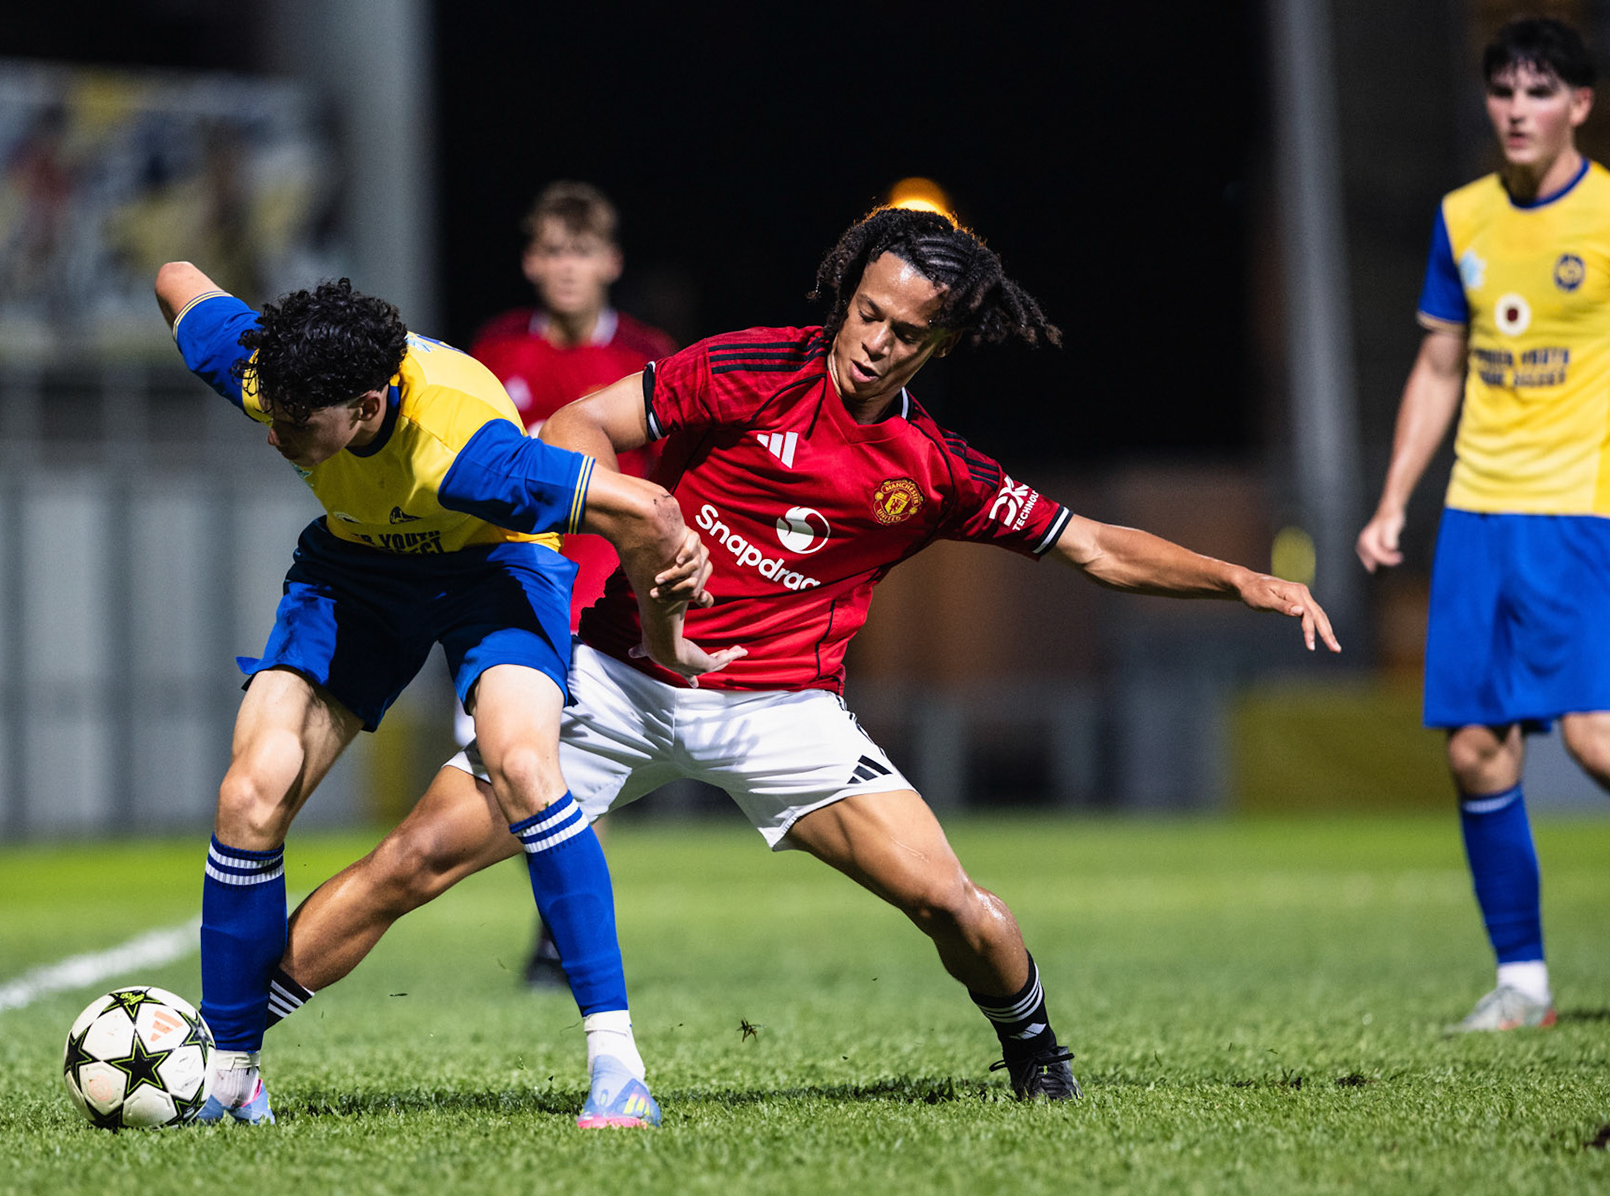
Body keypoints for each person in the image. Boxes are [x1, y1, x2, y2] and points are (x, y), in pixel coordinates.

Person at [264, 207, 1340, 1119]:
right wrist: (633, 529)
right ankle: (229, 1047)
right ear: (846, 295)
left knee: (955, 905)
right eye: (867, 312)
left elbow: (1095, 544)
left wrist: (1241, 579)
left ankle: (1034, 1049)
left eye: (907, 331)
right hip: (621, 676)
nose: (875, 340)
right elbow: (584, 423)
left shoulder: (932, 468)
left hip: (780, 710)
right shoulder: (747, 369)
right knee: (414, 857)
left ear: (942, 345)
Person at [154, 261, 731, 1124]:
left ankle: (618, 1069)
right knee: (251, 790)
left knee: (526, 767)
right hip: (356, 568)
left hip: (491, 566)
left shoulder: (469, 454)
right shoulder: (273, 371)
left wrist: (664, 630)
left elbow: (647, 511)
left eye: (295, 425)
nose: (272, 438)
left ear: (369, 405)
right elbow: (175, 278)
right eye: (268, 414)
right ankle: (233, 1074)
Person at [1356, 17, 1610, 1033]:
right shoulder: (1462, 217)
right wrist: (1389, 501)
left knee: (1596, 738)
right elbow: (1439, 366)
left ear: (1580, 106)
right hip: (1475, 511)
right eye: (1503, 91)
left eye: (1539, 92)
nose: (1516, 110)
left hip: (1577, 508)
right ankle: (1524, 984)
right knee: (1476, 751)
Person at [469, 181, 676, 988]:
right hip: (513, 575)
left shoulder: (645, 357)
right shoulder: (497, 351)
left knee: (561, 758)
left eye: (581, 251)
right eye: (553, 250)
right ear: (530, 259)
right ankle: (556, 930)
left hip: (601, 585)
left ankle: (563, 942)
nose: (566, 267)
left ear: (610, 262)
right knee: (516, 764)